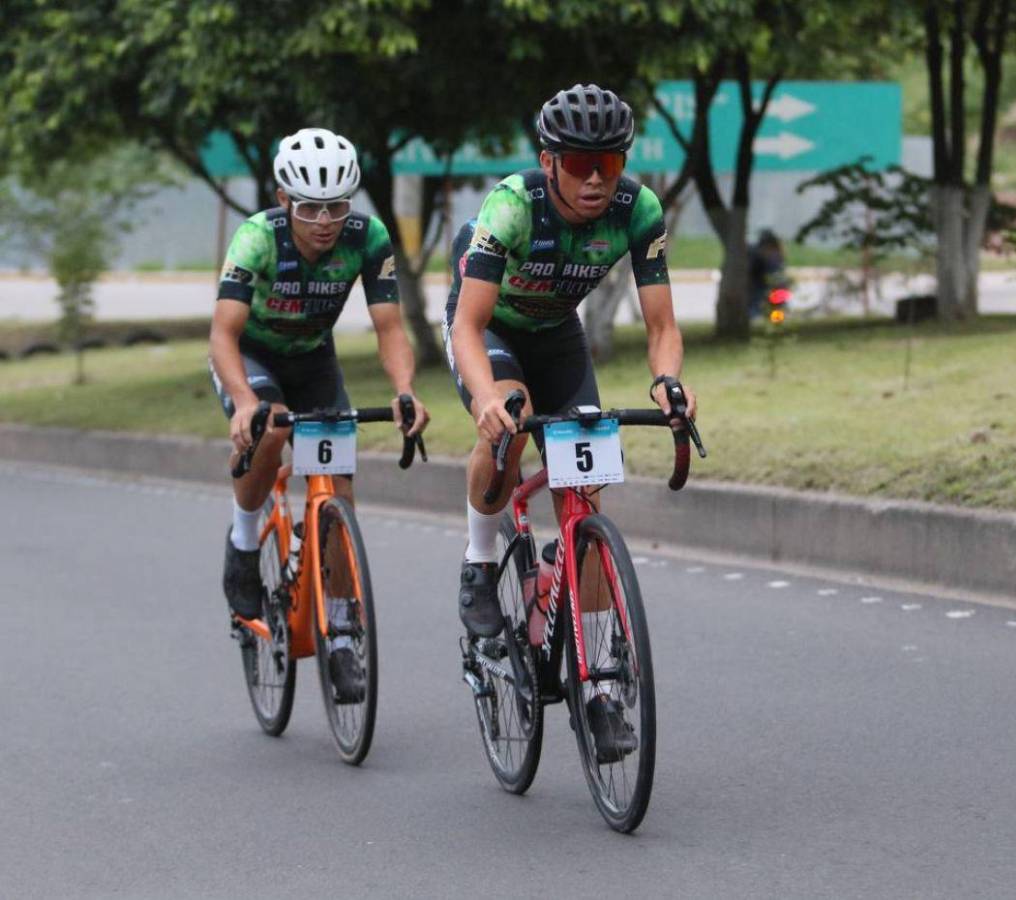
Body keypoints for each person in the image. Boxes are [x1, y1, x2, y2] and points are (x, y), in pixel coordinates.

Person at [443, 84, 697, 758]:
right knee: (509, 425)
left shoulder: (637, 210)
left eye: (608, 165)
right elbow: (467, 326)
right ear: (547, 160)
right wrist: (488, 399)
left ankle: (599, 692)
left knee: (583, 500)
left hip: (557, 335)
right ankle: (480, 559)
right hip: (491, 328)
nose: (594, 179)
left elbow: (663, 323)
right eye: (579, 162)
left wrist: (669, 381)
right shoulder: (510, 207)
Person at [208, 127, 429, 700]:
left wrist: (404, 388)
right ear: (284, 201)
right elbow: (223, 336)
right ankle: (244, 540)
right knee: (273, 428)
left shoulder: (368, 237)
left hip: (312, 359)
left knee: (337, 494)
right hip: (251, 357)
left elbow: (388, 327)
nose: (325, 221)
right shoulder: (256, 239)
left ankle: (339, 634)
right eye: (310, 208)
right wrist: (246, 402)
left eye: (337, 206)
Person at [748, 228, 786, 319]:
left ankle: (775, 318)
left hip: (766, 290)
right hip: (758, 290)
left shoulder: (774, 255)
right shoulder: (755, 253)